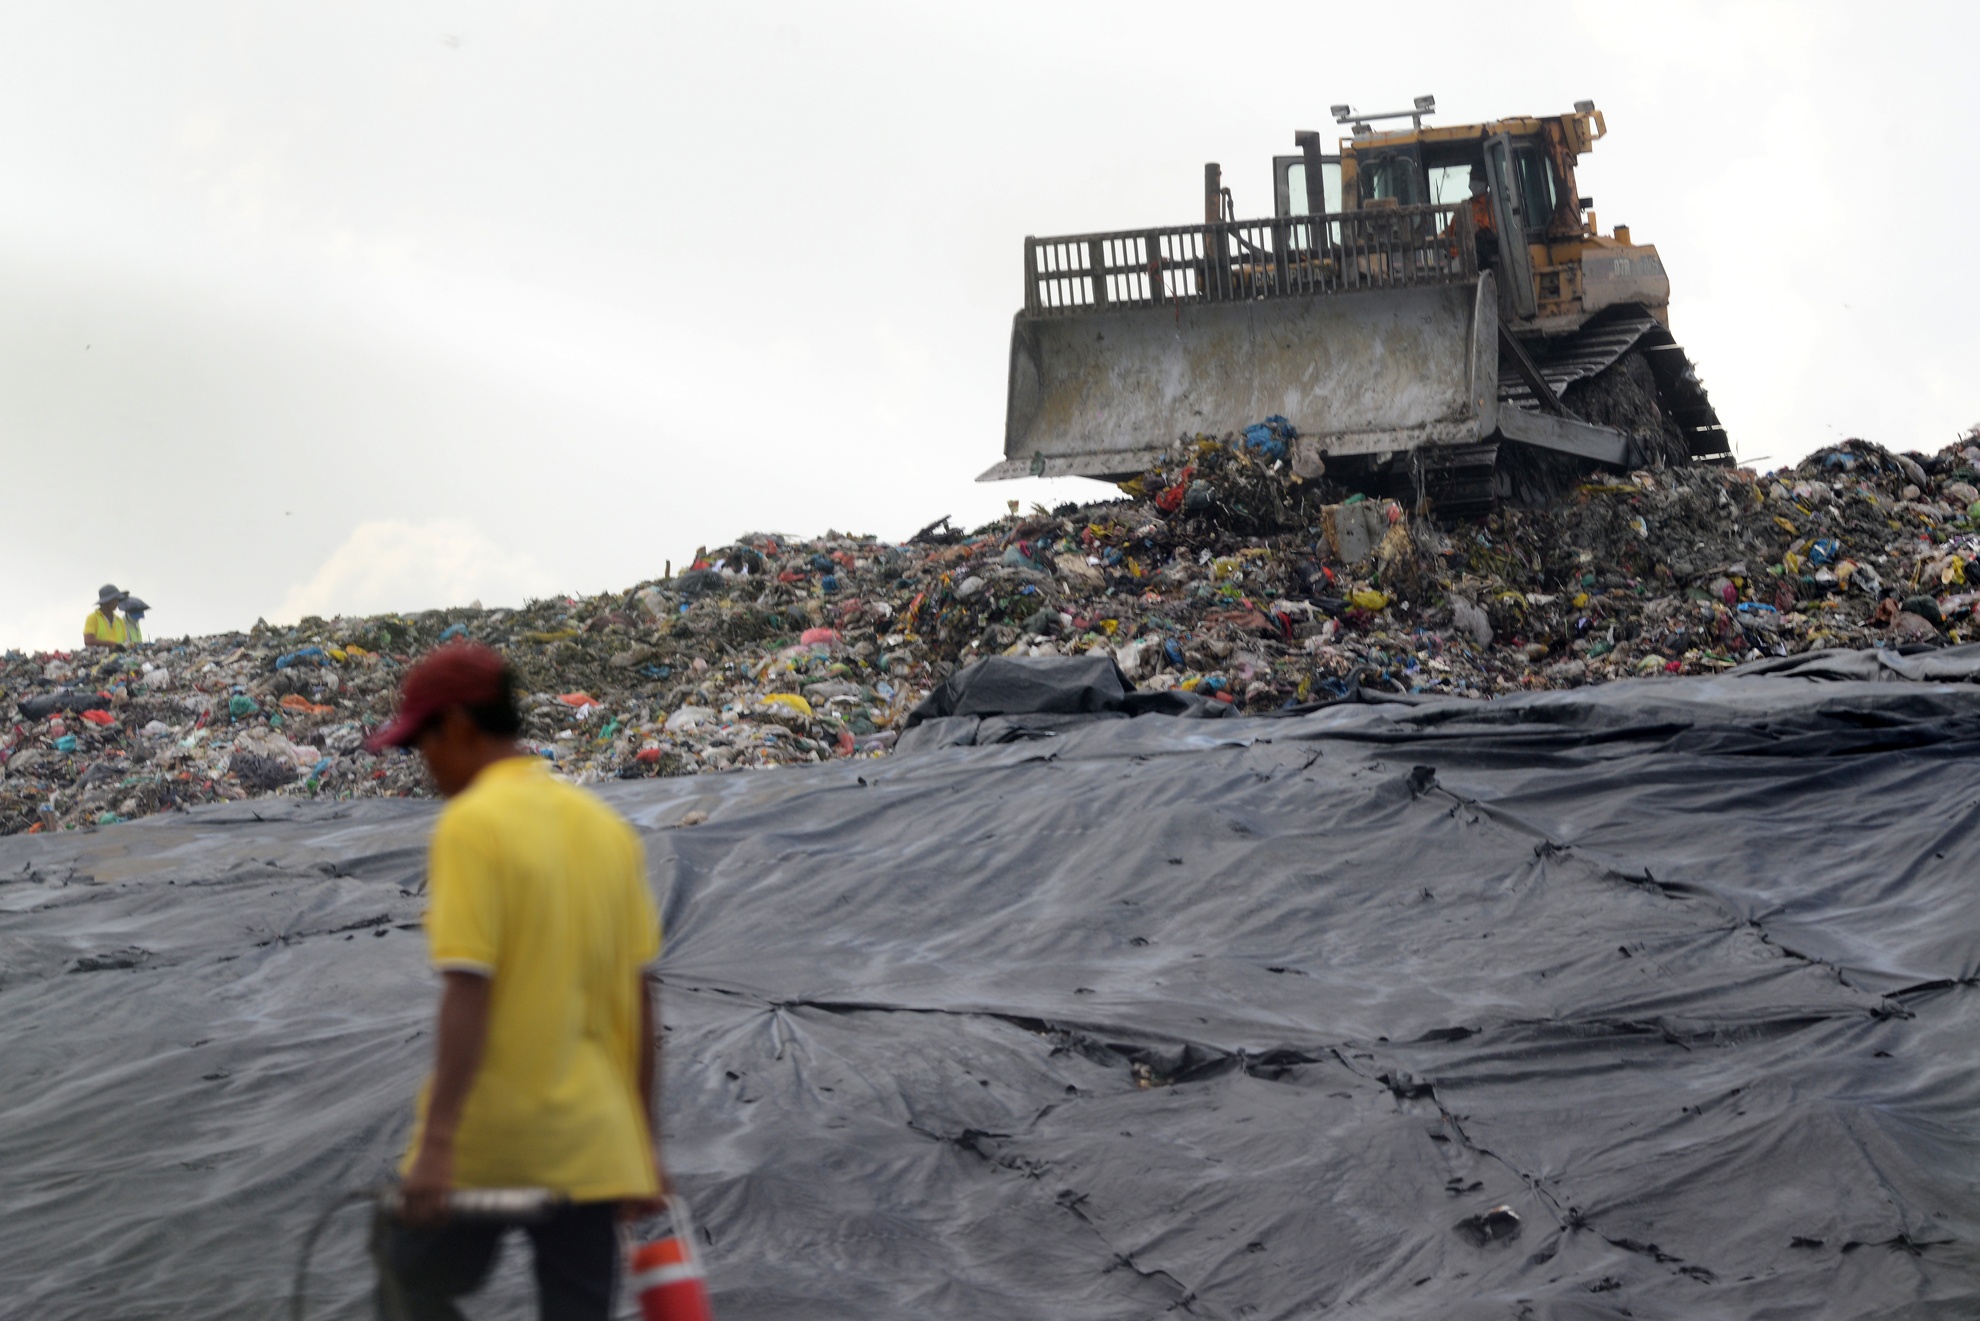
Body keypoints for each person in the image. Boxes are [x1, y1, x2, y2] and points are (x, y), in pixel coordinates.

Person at [364, 642, 666, 1321]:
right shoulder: (605, 827)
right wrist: (642, 1143)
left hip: (496, 1142)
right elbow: (643, 999)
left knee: (407, 1276)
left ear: (461, 727)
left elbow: (469, 988)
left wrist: (438, 1144)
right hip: (594, 1146)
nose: (424, 762)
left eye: (423, 742)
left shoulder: (473, 824)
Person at [1466, 168, 1500, 270]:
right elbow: (1451, 229)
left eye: (1478, 178)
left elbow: (1493, 229)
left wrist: (1478, 228)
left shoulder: (1494, 204)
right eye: (1472, 178)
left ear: (1487, 181)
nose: (1473, 182)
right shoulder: (1466, 205)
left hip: (1483, 255)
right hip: (1461, 254)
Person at [83, 584, 130, 649]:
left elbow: (126, 642)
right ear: (107, 602)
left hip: (119, 656)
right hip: (100, 656)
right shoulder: (93, 618)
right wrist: (111, 644)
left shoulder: (119, 621)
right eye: (115, 600)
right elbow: (88, 641)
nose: (117, 602)